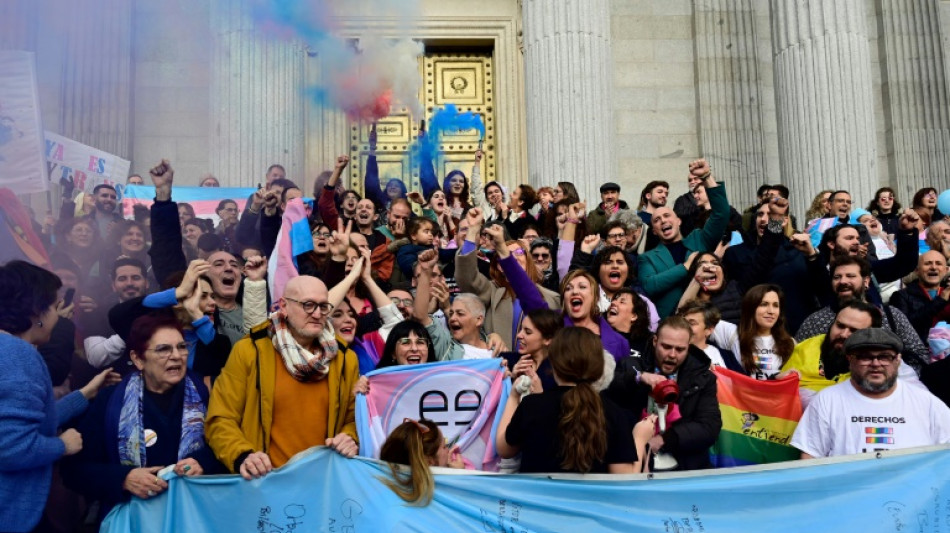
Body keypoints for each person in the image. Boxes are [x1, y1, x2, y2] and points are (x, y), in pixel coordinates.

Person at [62, 315, 220, 522]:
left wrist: (203, 462)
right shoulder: (111, 402)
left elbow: (225, 448)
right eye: (163, 349)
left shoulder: (204, 394)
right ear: (138, 359)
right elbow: (75, 471)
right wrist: (124, 478)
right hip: (136, 519)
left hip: (194, 516)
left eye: (182, 347)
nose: (176, 356)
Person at [0, 261, 115, 532]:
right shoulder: (18, 355)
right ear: (36, 313)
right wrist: (62, 445)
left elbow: (34, 420)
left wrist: (85, 394)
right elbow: (11, 448)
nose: (58, 314)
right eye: (54, 306)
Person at [206, 275, 359, 479]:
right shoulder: (250, 351)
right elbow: (221, 417)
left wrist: (350, 437)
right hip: (264, 483)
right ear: (284, 306)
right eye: (308, 305)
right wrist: (242, 455)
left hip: (323, 483)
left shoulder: (345, 358)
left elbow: (355, 419)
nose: (317, 314)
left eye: (323, 306)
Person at [496, 327, 639, 474]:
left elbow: (504, 449)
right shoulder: (614, 414)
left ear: (554, 363)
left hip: (536, 490)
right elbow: (622, 478)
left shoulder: (532, 406)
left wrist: (513, 397)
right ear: (598, 365)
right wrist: (640, 438)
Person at [791, 328, 950, 458]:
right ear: (850, 360)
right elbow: (810, 457)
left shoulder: (927, 403)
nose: (875, 364)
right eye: (865, 357)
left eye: (884, 357)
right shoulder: (827, 400)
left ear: (898, 360)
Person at [606, 316, 722, 470]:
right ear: (655, 341)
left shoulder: (703, 377)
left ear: (688, 347)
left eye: (680, 349)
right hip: (635, 463)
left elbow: (710, 426)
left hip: (686, 468)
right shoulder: (631, 366)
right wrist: (638, 378)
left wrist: (664, 440)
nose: (672, 355)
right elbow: (607, 390)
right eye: (666, 347)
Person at [795, 256, 930, 371]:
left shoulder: (891, 316)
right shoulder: (816, 321)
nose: (843, 281)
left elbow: (918, 353)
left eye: (850, 276)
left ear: (866, 282)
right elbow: (796, 357)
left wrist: (894, 380)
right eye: (837, 277)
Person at [639, 159, 730, 318]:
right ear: (654, 231)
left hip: (706, 317)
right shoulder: (647, 258)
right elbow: (650, 286)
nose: (663, 221)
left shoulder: (699, 239)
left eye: (667, 215)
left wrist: (707, 177)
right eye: (657, 220)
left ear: (678, 221)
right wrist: (686, 266)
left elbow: (721, 214)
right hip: (671, 322)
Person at [378, 418, 464, 506]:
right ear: (429, 462)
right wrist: (460, 479)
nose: (448, 451)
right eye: (444, 447)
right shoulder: (437, 503)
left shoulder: (376, 491)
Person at [889, 250, 950, 344]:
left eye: (938, 263)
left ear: (946, 270)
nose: (933, 267)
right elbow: (903, 329)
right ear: (917, 270)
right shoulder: (901, 296)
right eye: (927, 263)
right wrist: (940, 300)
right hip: (917, 349)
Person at [737, 284, 796, 380]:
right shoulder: (734, 336)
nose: (771, 311)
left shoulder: (790, 343)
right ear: (750, 308)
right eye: (764, 304)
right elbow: (709, 319)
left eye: (776, 305)